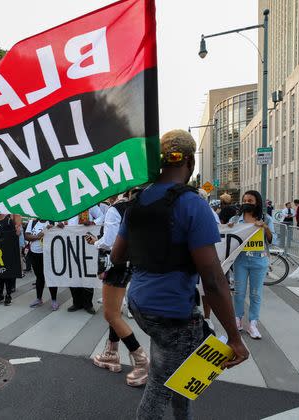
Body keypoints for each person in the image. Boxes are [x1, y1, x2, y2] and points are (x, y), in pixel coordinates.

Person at [111, 130, 248, 419]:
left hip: (140, 304)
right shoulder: (192, 203)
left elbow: (117, 255)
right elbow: (212, 279)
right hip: (172, 312)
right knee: (159, 387)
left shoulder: (137, 201)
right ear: (189, 161)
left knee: (180, 372)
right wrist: (234, 338)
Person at [87, 192, 149, 387]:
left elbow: (110, 241)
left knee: (111, 315)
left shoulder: (116, 209)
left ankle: (141, 361)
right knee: (114, 312)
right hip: (132, 262)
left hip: (116, 263)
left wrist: (95, 242)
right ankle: (111, 353)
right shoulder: (137, 207)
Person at [228, 190, 275, 339]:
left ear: (257, 202)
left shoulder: (266, 219)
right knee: (239, 292)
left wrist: (265, 228)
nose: (247, 203)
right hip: (240, 260)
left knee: (255, 294)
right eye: (245, 200)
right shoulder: (235, 219)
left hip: (259, 260)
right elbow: (229, 239)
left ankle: (253, 324)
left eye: (250, 201)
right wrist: (229, 228)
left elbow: (272, 239)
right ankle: (238, 320)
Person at [26, 218, 58, 310]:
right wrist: (38, 236)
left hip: (48, 254)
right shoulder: (32, 222)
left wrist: (55, 228)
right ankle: (39, 298)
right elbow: (27, 236)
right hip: (34, 254)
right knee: (39, 277)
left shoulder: (52, 221)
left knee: (51, 277)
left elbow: (59, 234)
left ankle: (54, 300)